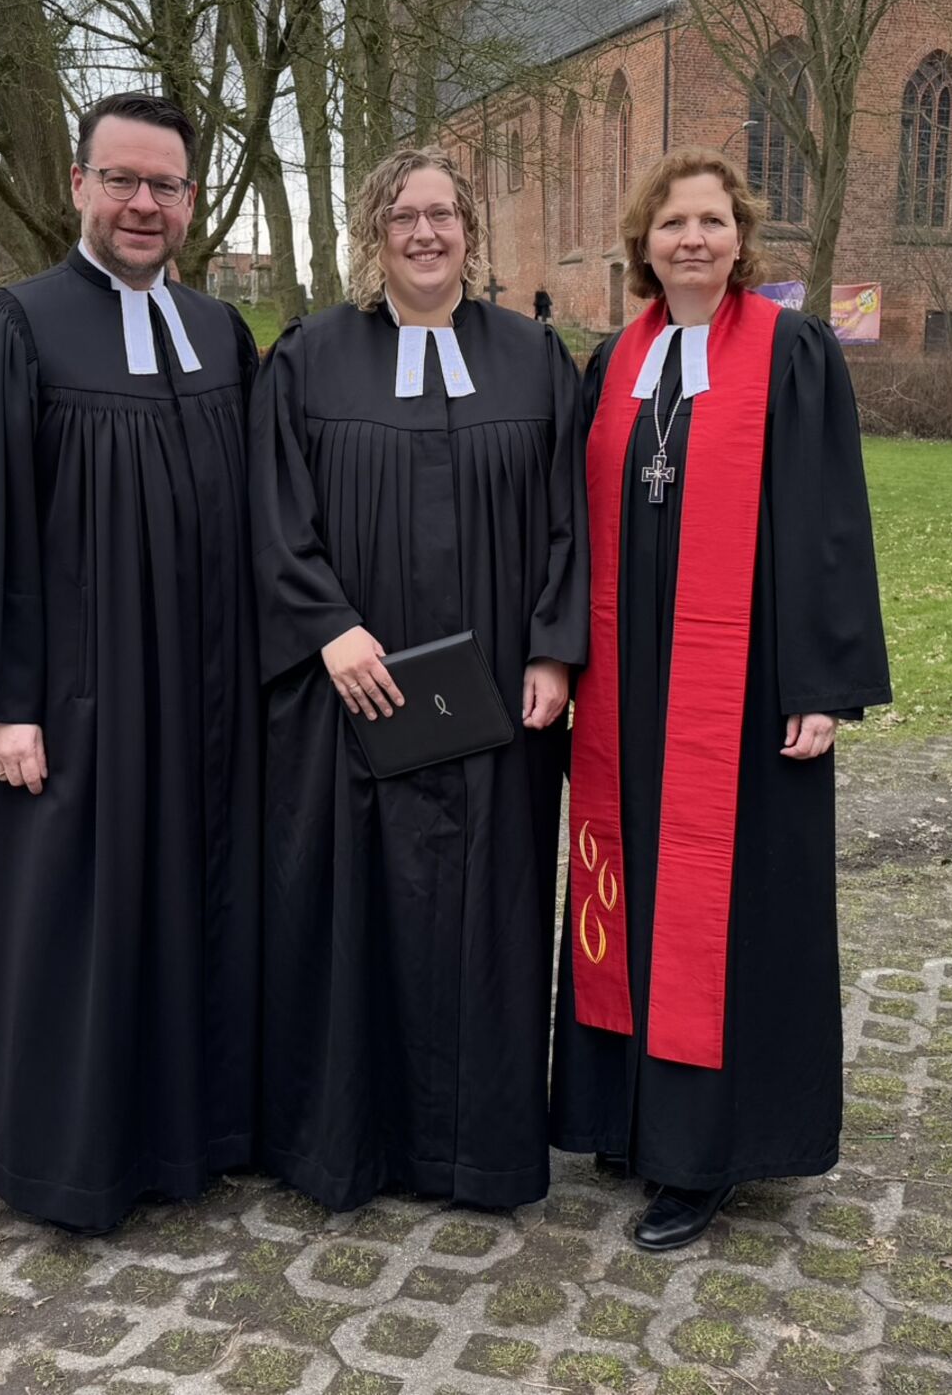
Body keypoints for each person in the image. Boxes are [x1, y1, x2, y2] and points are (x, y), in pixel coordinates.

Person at [0, 92, 261, 1233]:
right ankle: (59, 1150)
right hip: (73, 701)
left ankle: (187, 1135)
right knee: (72, 919)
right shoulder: (14, 327)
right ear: (80, 187)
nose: (144, 204)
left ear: (191, 203)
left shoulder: (220, 336)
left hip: (199, 701)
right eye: (123, 180)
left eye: (166, 186)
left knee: (190, 906)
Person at [551, 147, 889, 1252]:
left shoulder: (790, 353)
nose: (690, 239)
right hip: (624, 684)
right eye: (669, 224)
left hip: (740, 691)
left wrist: (822, 685)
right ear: (642, 245)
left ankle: (704, 1155)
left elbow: (827, 523)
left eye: (710, 221)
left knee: (720, 904)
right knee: (630, 883)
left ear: (740, 236)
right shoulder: (615, 361)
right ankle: (624, 1115)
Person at [252, 145, 587, 1212]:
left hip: (495, 698)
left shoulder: (533, 359)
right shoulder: (311, 358)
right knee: (354, 908)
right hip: (353, 695)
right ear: (373, 233)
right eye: (402, 217)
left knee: (488, 913)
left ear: (470, 230)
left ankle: (477, 1149)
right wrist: (328, 629)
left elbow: (568, 523)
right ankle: (349, 1144)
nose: (425, 234)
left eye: (442, 215)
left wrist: (551, 645)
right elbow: (271, 512)